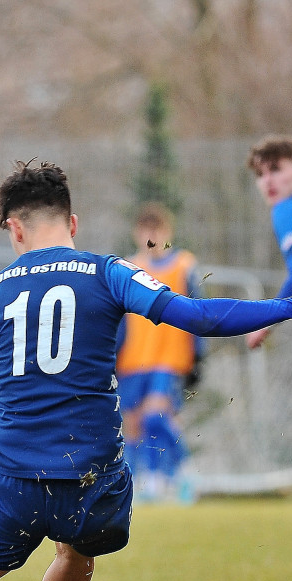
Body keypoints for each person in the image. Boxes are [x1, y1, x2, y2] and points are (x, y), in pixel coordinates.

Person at [0, 159, 292, 581]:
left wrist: (5, 435)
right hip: (94, 477)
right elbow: (197, 318)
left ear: (15, 227)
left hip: (13, 474)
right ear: (73, 224)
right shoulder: (109, 271)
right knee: (76, 553)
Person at [115, 202, 204, 503]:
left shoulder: (184, 265)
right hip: (132, 361)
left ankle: (171, 474)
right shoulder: (127, 267)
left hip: (169, 360)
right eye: (145, 232)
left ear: (167, 233)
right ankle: (148, 479)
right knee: (135, 426)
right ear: (136, 234)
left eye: (157, 232)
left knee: (156, 416)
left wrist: (197, 356)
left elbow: (196, 313)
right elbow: (119, 320)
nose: (151, 239)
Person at [245, 135, 292, 350]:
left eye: (276, 169)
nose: (267, 181)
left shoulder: (288, 208)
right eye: (260, 174)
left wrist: (265, 320)